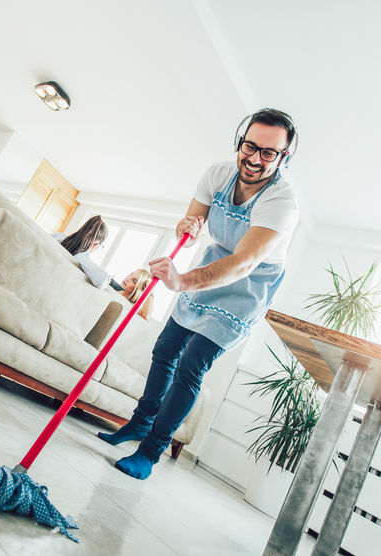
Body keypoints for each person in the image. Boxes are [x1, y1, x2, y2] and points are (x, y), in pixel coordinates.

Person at [97, 108, 300, 480]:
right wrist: (186, 227)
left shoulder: (282, 202)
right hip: (211, 267)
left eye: (268, 153)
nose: (254, 158)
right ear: (240, 141)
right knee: (164, 351)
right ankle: (139, 424)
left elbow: (243, 264)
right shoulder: (218, 174)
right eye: (249, 146)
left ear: (284, 157)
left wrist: (183, 281)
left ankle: (150, 451)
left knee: (191, 365)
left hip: (247, 285)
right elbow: (190, 223)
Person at [52, 215, 111, 289]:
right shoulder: (81, 256)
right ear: (95, 245)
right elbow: (102, 281)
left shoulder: (58, 236)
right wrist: (108, 279)